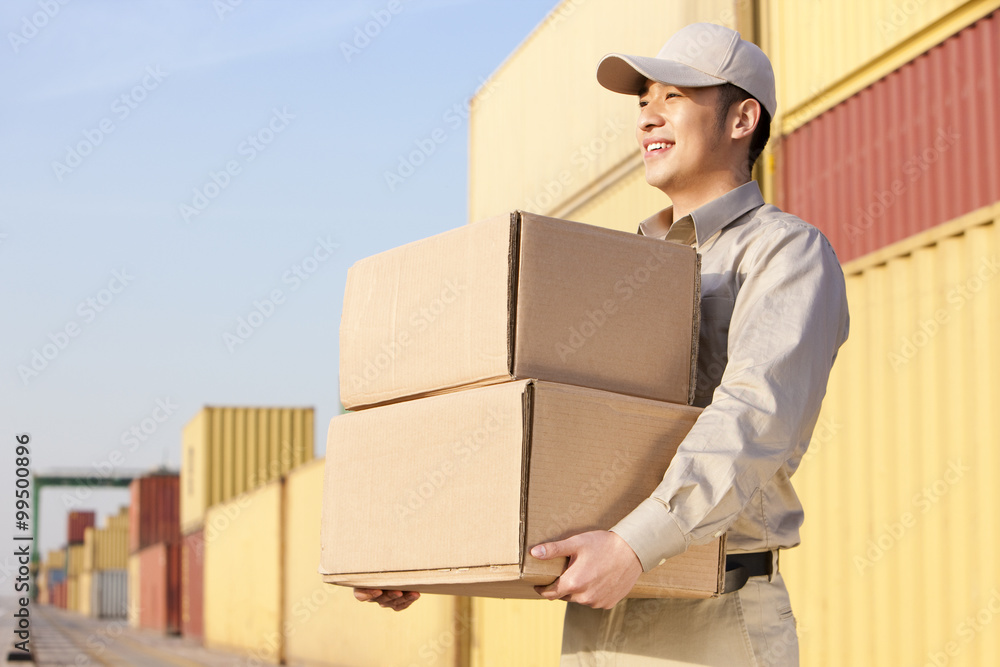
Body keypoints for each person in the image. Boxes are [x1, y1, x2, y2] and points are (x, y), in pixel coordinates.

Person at [356, 22, 849, 666]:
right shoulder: (624, 270)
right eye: (643, 100)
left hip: (710, 623)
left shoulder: (785, 252)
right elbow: (544, 429)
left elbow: (756, 415)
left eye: (674, 96)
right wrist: (425, 555)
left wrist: (637, 545)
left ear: (741, 119)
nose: (648, 115)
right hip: (597, 616)